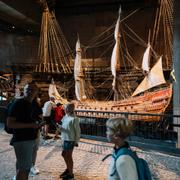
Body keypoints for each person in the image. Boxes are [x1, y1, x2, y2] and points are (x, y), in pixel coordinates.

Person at [7, 82, 42, 180]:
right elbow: (10, 123)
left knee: (24, 167)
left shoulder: (34, 103)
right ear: (24, 91)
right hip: (22, 140)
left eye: (33, 90)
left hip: (32, 138)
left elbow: (38, 116)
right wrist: (31, 125)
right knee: (23, 169)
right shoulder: (18, 103)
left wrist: (39, 122)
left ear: (36, 92)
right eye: (28, 89)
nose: (30, 92)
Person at [59, 103, 80, 180]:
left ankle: (70, 174)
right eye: (65, 107)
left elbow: (78, 131)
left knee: (68, 156)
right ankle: (68, 169)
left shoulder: (75, 118)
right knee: (64, 154)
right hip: (64, 138)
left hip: (70, 139)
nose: (65, 109)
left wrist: (76, 141)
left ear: (71, 109)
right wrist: (60, 128)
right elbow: (63, 126)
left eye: (66, 108)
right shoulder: (65, 116)